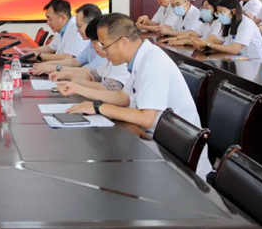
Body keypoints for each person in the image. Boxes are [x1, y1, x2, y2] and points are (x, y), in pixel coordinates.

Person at [63, 13, 212, 179]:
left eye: (105, 46)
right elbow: (124, 97)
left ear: (124, 42)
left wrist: (98, 107)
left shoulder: (152, 63)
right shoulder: (139, 57)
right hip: (155, 142)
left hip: (177, 161)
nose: (104, 52)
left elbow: (146, 118)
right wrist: (80, 92)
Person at [49, 16, 130, 92]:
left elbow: (108, 89)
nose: (93, 47)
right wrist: (66, 75)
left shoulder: (121, 62)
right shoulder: (109, 61)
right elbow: (92, 75)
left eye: (95, 43)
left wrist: (78, 82)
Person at [191, 0, 262, 64]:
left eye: (222, 12)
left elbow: (234, 49)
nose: (220, 15)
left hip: (255, 62)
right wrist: (200, 44)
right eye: (218, 12)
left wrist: (208, 44)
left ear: (234, 11)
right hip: (240, 58)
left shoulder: (246, 24)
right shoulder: (228, 24)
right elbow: (216, 41)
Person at [32, 4, 102, 75]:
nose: (77, 30)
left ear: (91, 24)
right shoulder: (91, 43)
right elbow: (75, 62)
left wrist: (54, 68)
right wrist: (48, 65)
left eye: (79, 26)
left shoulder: (102, 46)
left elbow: (88, 72)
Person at [22, 0, 88, 62]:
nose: (48, 23)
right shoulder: (61, 29)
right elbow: (50, 48)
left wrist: (39, 56)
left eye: (50, 19)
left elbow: (69, 57)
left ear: (62, 18)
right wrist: (31, 51)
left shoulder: (76, 29)